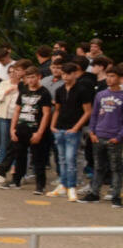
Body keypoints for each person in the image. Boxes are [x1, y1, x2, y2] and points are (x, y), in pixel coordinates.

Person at [49, 60, 94, 201]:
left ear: (75, 74)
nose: (65, 77)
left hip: (73, 130)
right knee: (61, 159)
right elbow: (57, 110)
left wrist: (76, 128)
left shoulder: (82, 90)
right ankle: (63, 185)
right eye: (63, 74)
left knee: (70, 159)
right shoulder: (60, 90)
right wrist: (52, 125)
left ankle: (72, 186)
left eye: (68, 74)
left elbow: (88, 111)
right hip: (60, 128)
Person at [3, 67, 53, 193]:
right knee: (19, 155)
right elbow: (17, 110)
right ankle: (16, 180)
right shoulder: (24, 91)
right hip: (21, 127)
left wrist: (40, 132)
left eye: (33, 77)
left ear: (39, 77)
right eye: (28, 77)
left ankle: (40, 185)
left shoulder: (44, 92)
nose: (30, 80)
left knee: (38, 158)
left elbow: (46, 114)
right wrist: (12, 129)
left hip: (35, 129)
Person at [82, 65, 122, 206]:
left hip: (114, 137)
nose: (109, 79)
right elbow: (94, 115)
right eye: (108, 76)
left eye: (113, 76)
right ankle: (94, 193)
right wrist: (92, 132)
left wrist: (119, 137)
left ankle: (116, 196)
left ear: (120, 78)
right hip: (98, 135)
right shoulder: (100, 95)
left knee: (116, 168)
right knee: (98, 167)